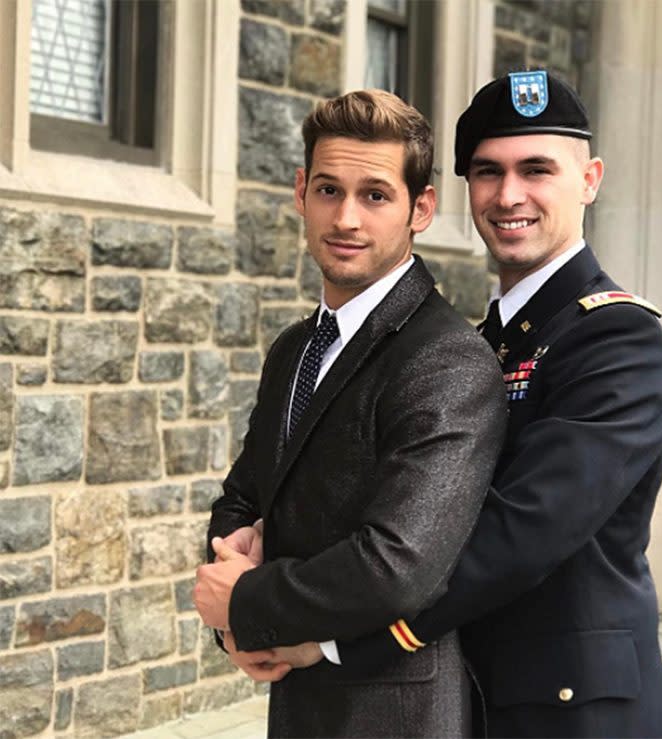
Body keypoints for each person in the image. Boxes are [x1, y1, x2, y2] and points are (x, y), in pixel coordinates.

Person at [247, 70, 662, 738]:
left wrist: (333, 638)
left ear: (590, 178)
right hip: (473, 698)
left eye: (537, 169)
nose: (510, 195)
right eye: (488, 172)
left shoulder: (617, 340)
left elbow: (513, 538)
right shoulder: (481, 343)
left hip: (577, 715)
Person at [193, 89, 506, 738]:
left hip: (394, 712)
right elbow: (244, 496)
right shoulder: (293, 350)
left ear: (421, 208)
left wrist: (247, 602)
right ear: (301, 191)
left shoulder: (448, 360)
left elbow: (398, 565)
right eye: (329, 190)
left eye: (375, 195)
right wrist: (238, 608)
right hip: (297, 700)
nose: (347, 219)